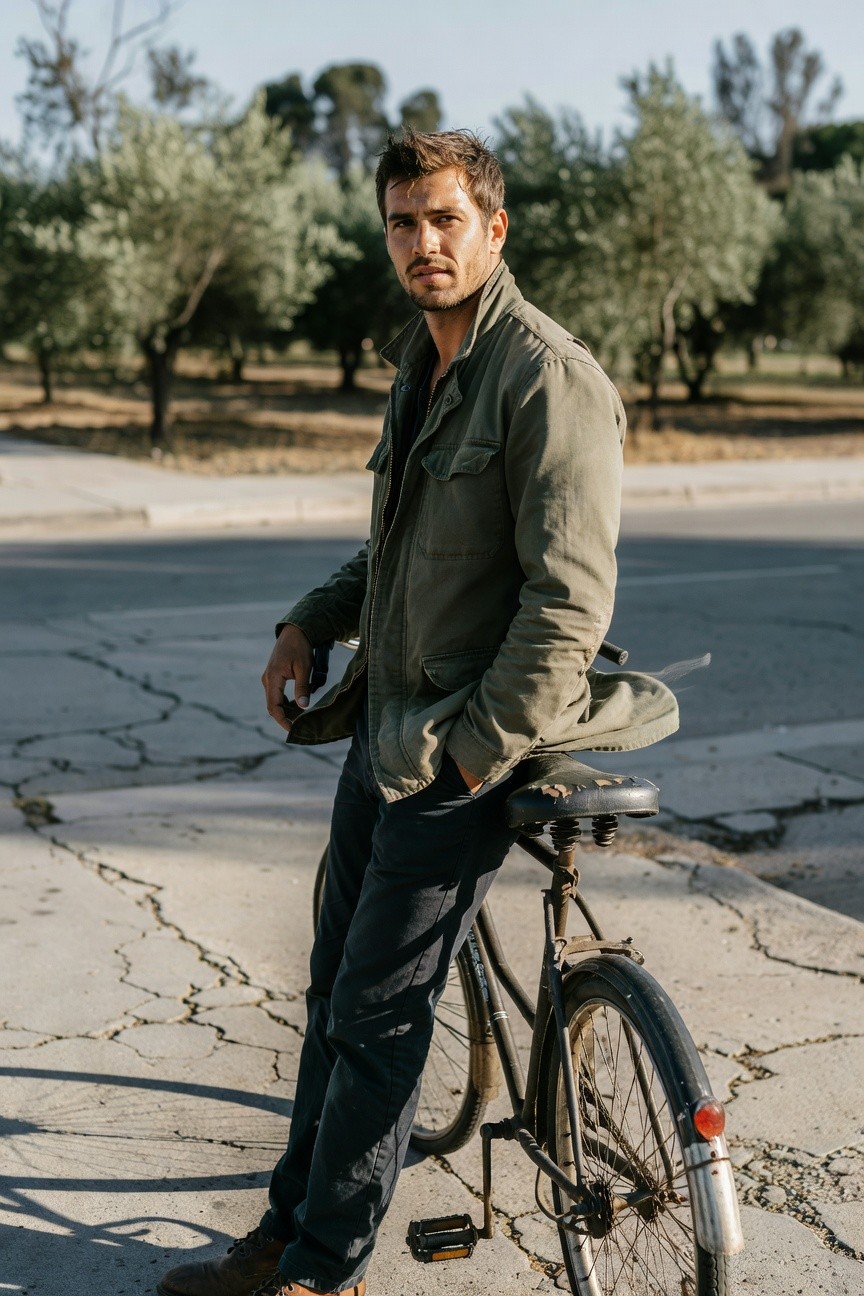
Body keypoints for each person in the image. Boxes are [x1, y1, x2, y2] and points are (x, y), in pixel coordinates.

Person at [157, 129, 676, 1296]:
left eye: (445, 219)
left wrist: (475, 754)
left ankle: (321, 1268)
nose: (423, 242)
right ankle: (284, 1228)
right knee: (334, 991)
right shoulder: (425, 359)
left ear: (494, 229)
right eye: (403, 221)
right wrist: (309, 622)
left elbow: (569, 604)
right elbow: (397, 551)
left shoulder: (548, 375)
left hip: (462, 752)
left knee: (380, 1019)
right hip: (387, 735)